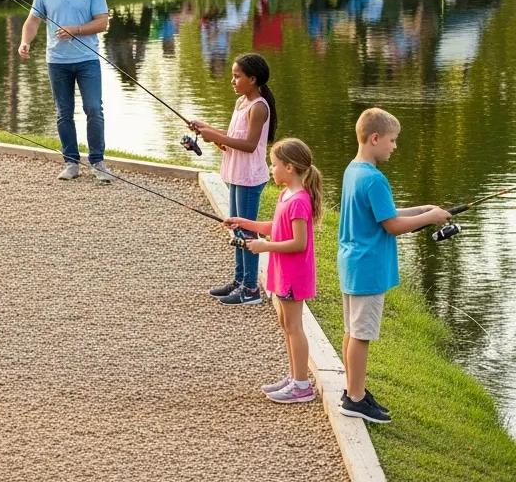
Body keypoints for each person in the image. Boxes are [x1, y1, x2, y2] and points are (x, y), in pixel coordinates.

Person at [338, 108, 450, 424]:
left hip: (352, 264)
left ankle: (353, 389)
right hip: (370, 269)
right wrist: (431, 218)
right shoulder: (374, 178)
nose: (394, 146)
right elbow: (392, 225)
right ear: (375, 138)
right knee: (361, 334)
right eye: (392, 140)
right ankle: (356, 399)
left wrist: (425, 208)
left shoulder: (353, 170)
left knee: (351, 331)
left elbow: (385, 212)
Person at [225, 138, 322, 404]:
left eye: (274, 164)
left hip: (294, 273)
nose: (271, 169)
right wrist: (244, 223)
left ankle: (302, 385)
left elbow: (299, 243)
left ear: (290, 168)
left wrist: (265, 247)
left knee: (293, 326)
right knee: (285, 325)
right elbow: (275, 227)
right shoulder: (285, 195)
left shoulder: (300, 201)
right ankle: (294, 376)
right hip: (282, 270)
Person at [19, 0, 111, 182]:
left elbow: (103, 23)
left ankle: (97, 162)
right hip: (57, 61)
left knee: (94, 109)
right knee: (63, 112)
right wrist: (25, 42)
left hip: (88, 59)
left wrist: (76, 30)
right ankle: (71, 162)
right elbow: (32, 21)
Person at [190, 52, 276, 305]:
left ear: (253, 78)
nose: (233, 81)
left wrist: (214, 136)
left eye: (237, 76)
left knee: (247, 233)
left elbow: (249, 145)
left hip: (250, 177)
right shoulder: (241, 103)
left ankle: (251, 289)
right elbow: (231, 139)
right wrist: (206, 129)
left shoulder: (258, 107)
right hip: (237, 174)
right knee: (237, 228)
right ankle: (240, 280)